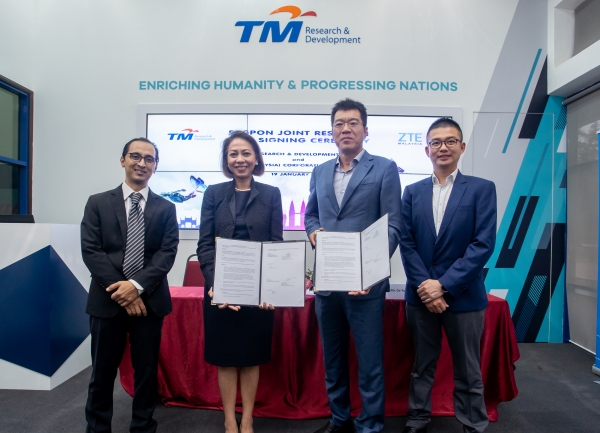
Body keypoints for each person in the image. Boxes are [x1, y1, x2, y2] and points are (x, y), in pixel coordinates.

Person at [304, 99, 402, 433]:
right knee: (333, 358)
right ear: (332, 131)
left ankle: (371, 423)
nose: (346, 128)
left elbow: (392, 226)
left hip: (366, 285)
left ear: (365, 129)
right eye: (339, 123)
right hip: (328, 283)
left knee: (370, 360)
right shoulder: (319, 171)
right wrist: (313, 230)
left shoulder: (385, 168)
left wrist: (372, 272)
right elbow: (311, 214)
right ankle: (339, 417)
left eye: (353, 122)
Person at [399, 118, 497, 433]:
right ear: (426, 149)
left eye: (450, 141)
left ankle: (473, 423)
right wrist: (426, 287)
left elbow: (482, 245)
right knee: (422, 365)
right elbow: (407, 243)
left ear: (461, 147)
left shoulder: (482, 189)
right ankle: (417, 418)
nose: (443, 147)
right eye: (436, 142)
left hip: (464, 295)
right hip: (421, 296)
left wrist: (443, 285)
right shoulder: (412, 192)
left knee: (468, 369)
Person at [81, 137, 179, 433]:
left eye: (149, 159)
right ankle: (97, 428)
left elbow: (166, 253)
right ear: (122, 160)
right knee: (101, 373)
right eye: (135, 156)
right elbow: (92, 250)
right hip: (106, 301)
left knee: (146, 373)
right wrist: (123, 290)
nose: (142, 163)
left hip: (149, 302)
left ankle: (143, 427)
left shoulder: (166, 207)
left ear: (155, 166)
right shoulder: (98, 202)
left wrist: (136, 286)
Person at [197, 130, 283, 433]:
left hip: (257, 292)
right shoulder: (213, 193)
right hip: (220, 289)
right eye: (233, 154)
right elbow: (204, 245)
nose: (240, 159)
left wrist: (270, 287)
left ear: (256, 158)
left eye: (246, 153)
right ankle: (228, 419)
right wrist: (214, 283)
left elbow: (275, 244)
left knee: (250, 358)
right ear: (226, 160)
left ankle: (247, 418)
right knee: (226, 357)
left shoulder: (272, 194)